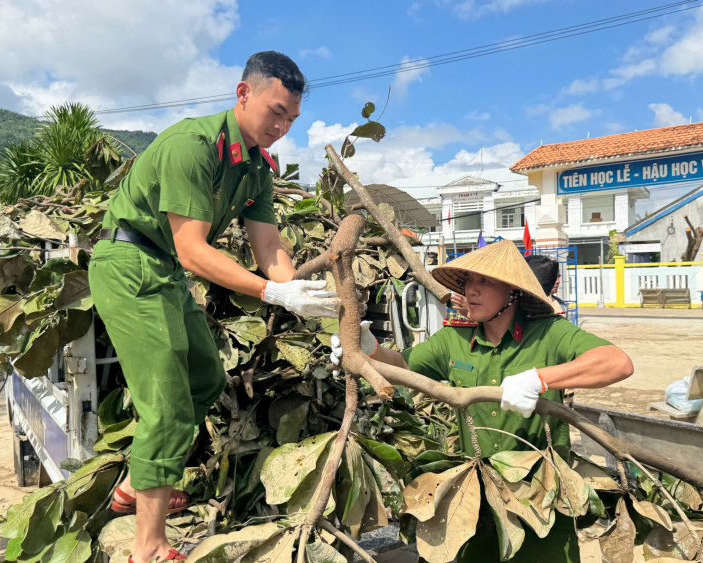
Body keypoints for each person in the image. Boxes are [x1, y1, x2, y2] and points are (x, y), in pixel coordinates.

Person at [89, 52, 340, 563]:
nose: (281, 127)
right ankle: (148, 546)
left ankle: (139, 485)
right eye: (276, 112)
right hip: (129, 262)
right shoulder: (194, 146)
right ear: (243, 93)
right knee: (166, 403)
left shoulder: (257, 168)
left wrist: (301, 294)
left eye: (292, 119)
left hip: (163, 269)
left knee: (204, 379)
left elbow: (268, 245)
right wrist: (271, 294)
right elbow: (192, 250)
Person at [331, 241, 633, 563]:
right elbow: (403, 367)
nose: (471, 290)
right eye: (467, 281)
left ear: (513, 291)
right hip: (476, 499)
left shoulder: (550, 333)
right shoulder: (454, 338)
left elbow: (617, 363)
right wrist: (369, 350)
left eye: (485, 281)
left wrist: (539, 379)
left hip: (541, 500)